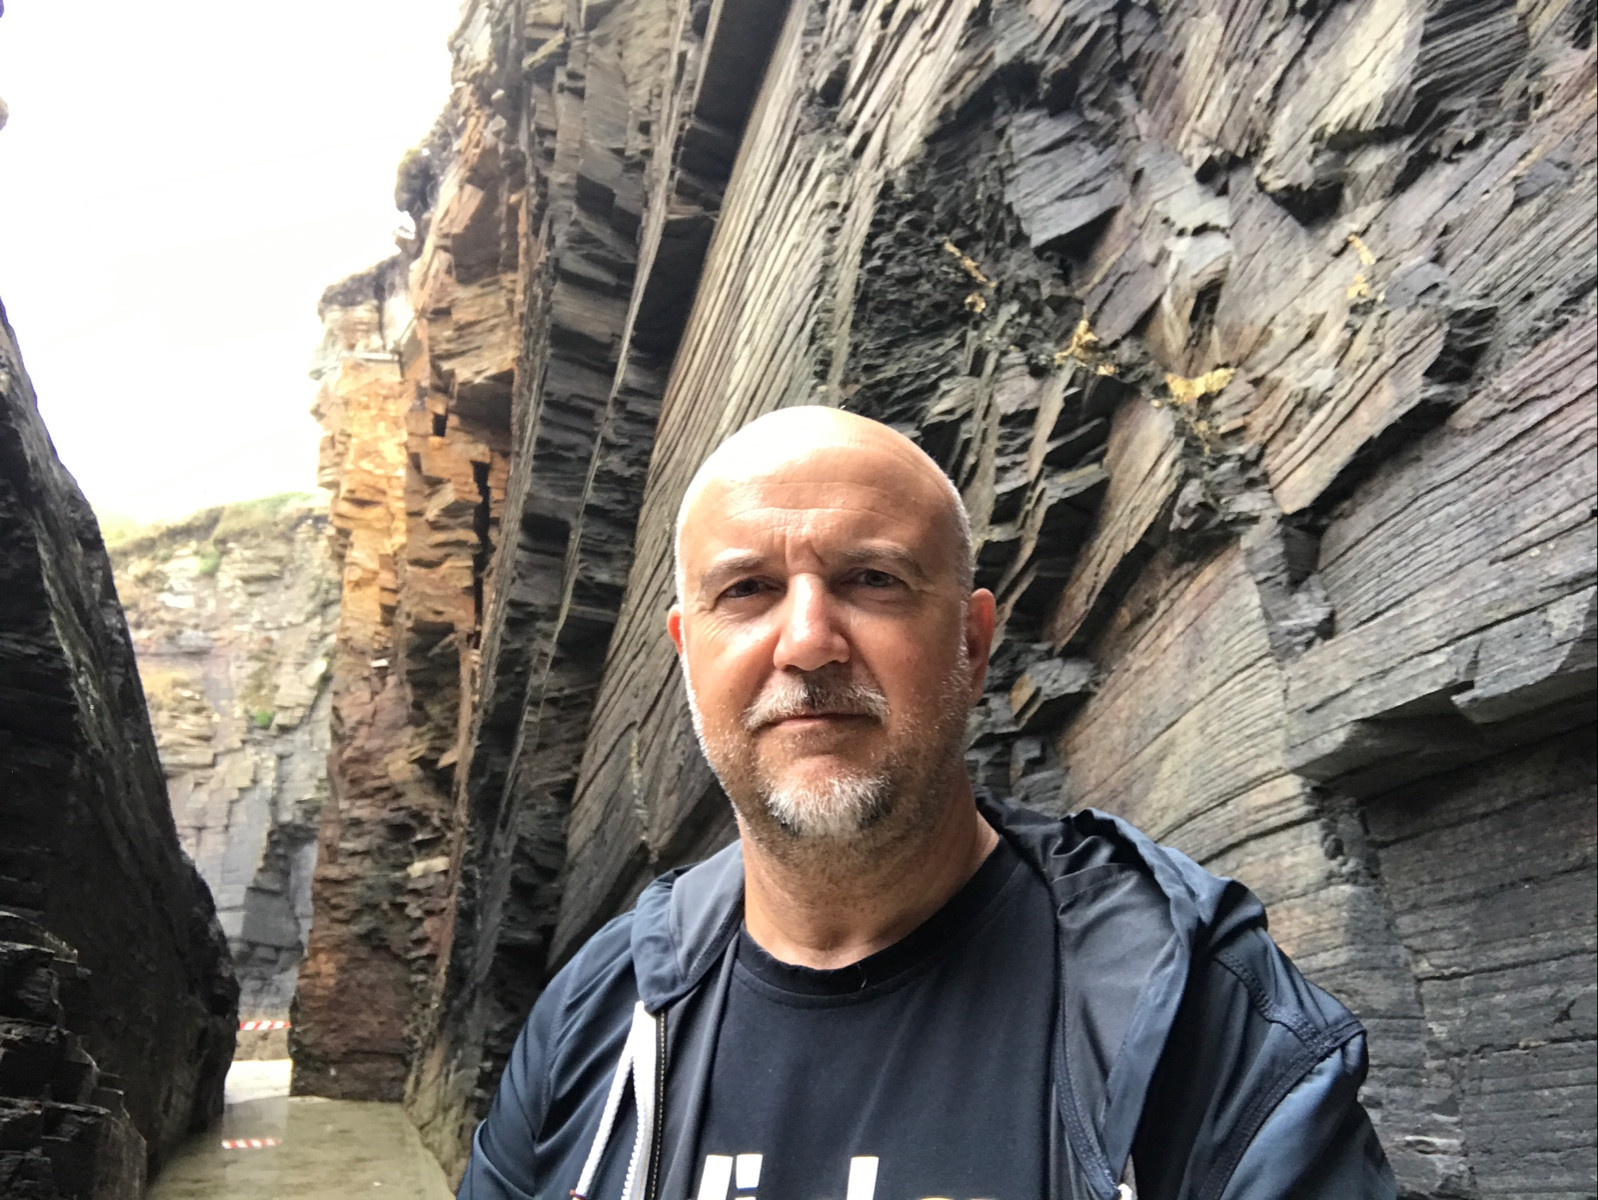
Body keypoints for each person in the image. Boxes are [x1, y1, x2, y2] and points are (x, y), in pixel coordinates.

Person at [457, 407, 1397, 1200]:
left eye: (873, 580)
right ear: (687, 657)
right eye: (747, 591)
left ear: (972, 644)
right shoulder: (600, 1014)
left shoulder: (1193, 1009)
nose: (808, 642)